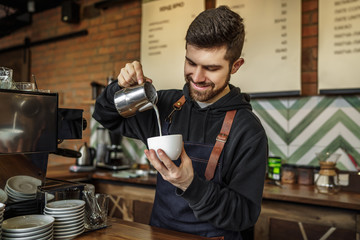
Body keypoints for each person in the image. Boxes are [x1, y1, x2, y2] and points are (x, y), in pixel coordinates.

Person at [93, 5, 268, 240]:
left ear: (235, 66)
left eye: (211, 68)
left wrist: (190, 184)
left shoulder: (247, 129)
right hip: (159, 233)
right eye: (191, 63)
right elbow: (105, 115)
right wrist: (119, 86)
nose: (197, 77)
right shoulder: (166, 105)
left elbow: (243, 215)